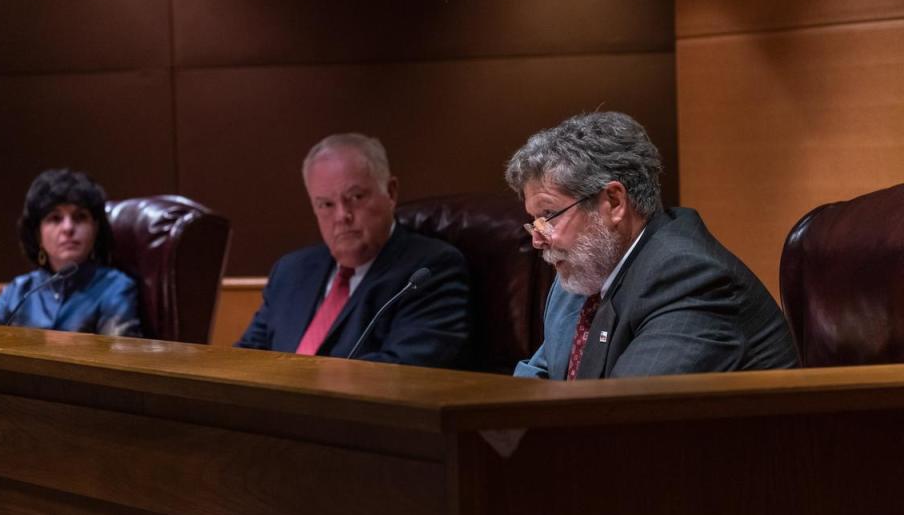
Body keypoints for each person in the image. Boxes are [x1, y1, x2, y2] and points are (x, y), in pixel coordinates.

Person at [505, 111, 797, 379]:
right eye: (534, 220)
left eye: (548, 216)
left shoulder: (688, 277)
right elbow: (540, 377)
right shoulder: (584, 273)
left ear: (614, 202)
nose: (537, 238)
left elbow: (624, 412)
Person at [237, 133, 470, 367]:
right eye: (326, 204)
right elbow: (246, 359)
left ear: (391, 192)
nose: (342, 216)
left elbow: (403, 372)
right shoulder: (290, 271)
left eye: (356, 197)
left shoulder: (428, 270)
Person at [0, 169, 141, 336]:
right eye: (55, 218)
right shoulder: (16, 292)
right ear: (37, 234)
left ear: (96, 229)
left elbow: (118, 360)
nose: (68, 228)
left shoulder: (115, 288)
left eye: (80, 217)